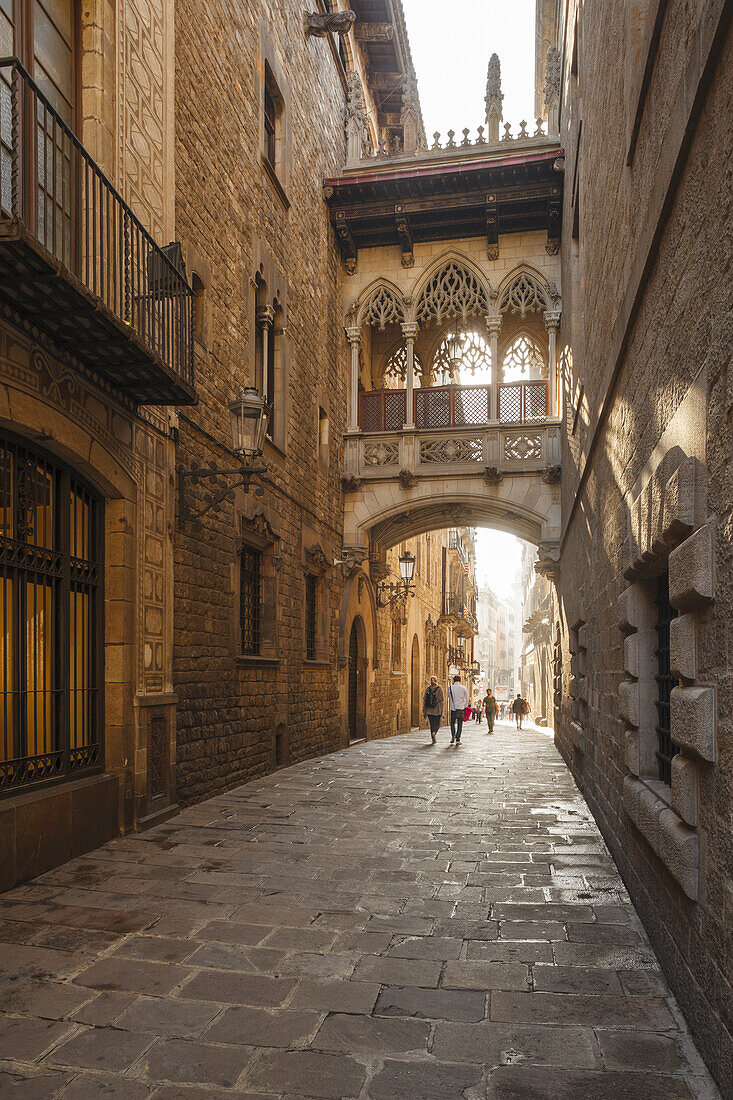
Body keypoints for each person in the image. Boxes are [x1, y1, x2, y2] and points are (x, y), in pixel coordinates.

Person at [447, 675, 469, 745]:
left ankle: (453, 735)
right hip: (461, 709)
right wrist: (464, 706)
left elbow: (448, 696)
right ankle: (458, 739)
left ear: (453, 680)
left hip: (453, 708)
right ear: (460, 680)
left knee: (452, 723)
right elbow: (467, 699)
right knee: (460, 724)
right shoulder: (463, 688)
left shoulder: (450, 688)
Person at [422, 676, 444, 744]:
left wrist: (424, 709)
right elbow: (442, 699)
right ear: (436, 680)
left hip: (429, 710)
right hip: (437, 709)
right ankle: (434, 733)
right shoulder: (439, 688)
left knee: (432, 724)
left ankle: (432, 738)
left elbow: (425, 698)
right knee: (437, 723)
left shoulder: (428, 689)